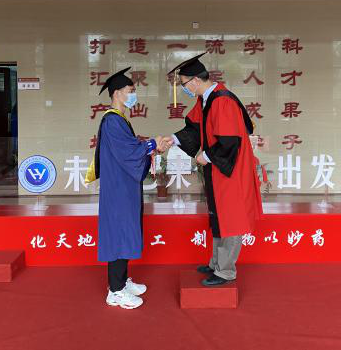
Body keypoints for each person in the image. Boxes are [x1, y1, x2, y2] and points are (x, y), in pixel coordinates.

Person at [166, 53, 262, 286]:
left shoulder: (222, 101)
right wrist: (172, 140)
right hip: (218, 167)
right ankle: (216, 263)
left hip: (230, 169)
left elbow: (229, 141)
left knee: (231, 217)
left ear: (196, 81)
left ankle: (226, 271)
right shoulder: (206, 99)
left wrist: (206, 156)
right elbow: (194, 127)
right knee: (218, 215)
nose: (185, 89)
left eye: (185, 84)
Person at [94, 67, 172, 309]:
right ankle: (115, 291)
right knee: (119, 233)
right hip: (118, 189)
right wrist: (151, 144)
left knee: (126, 230)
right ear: (117, 93)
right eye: (130, 90)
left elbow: (130, 147)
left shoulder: (120, 119)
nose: (133, 95)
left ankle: (122, 281)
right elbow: (127, 152)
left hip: (124, 187)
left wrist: (150, 145)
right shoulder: (112, 120)